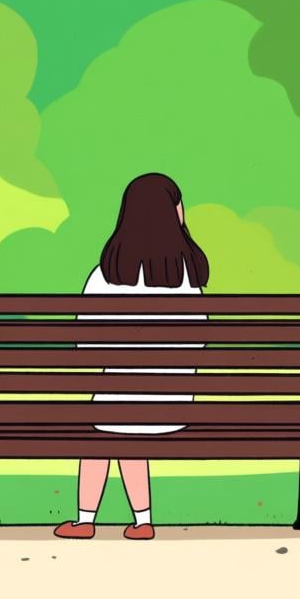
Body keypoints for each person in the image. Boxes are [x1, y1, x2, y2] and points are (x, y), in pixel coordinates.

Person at [54, 173, 209, 541]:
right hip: (174, 405)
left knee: (105, 429)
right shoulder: (187, 275)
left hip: (120, 400)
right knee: (124, 426)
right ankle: (142, 521)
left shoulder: (109, 273)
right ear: (175, 213)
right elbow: (198, 339)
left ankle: (85, 518)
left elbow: (86, 342)